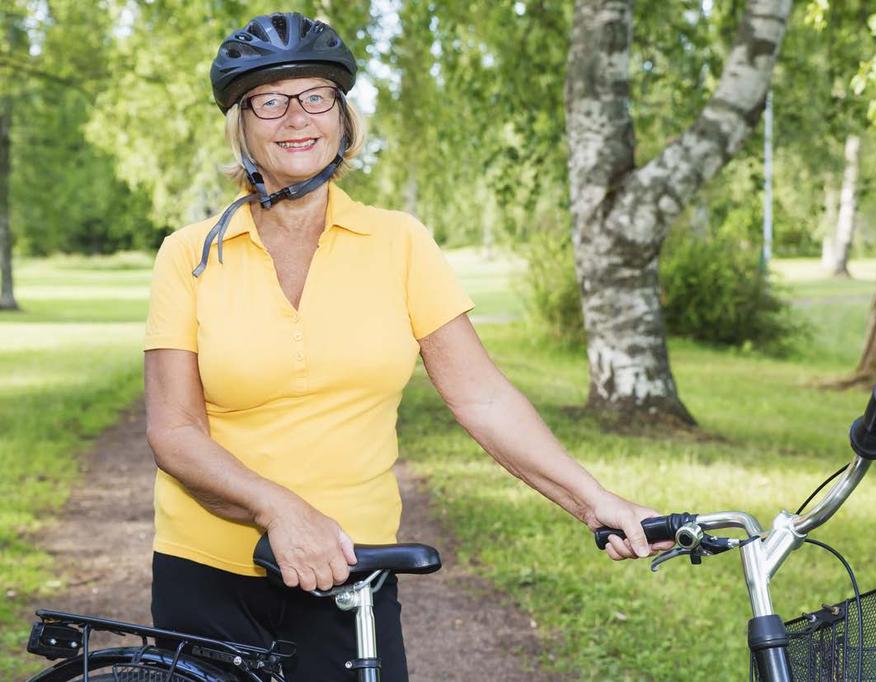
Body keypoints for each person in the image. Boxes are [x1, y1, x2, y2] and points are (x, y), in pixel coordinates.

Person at [143, 12, 671, 681]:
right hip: (205, 570)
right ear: (241, 125)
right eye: (269, 101)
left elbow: (481, 395)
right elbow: (175, 432)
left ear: (341, 117)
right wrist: (278, 508)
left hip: (351, 564)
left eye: (315, 97)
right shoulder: (188, 255)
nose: (295, 118)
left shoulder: (399, 243)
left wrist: (594, 501)